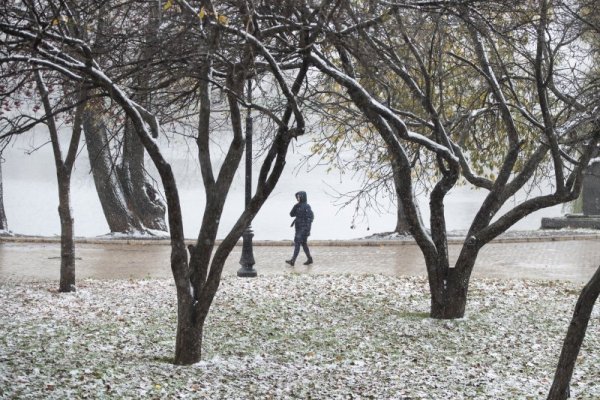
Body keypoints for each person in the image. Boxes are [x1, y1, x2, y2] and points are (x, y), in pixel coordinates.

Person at [286, 191, 314, 266]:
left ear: (302, 197)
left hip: (304, 228)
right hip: (298, 227)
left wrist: (308, 230)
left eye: (299, 196)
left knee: (297, 243)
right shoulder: (297, 206)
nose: (298, 198)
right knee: (304, 243)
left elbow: (310, 218)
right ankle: (310, 259)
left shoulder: (307, 206)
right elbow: (291, 214)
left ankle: (293, 260)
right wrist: (295, 206)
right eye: (297, 197)